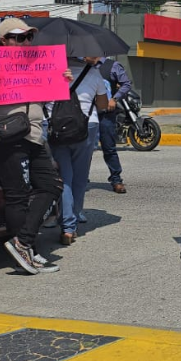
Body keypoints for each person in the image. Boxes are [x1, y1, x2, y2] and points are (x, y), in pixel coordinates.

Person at [0, 18, 68, 274]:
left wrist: (60, 80)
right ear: (4, 40)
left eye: (29, 37)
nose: (26, 42)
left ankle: (23, 243)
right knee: (18, 196)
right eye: (19, 37)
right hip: (9, 138)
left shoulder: (36, 63)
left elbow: (43, 97)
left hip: (35, 135)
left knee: (51, 186)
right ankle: (26, 253)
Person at [48, 56, 108, 245]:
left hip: (57, 126)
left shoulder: (49, 71)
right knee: (80, 177)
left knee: (64, 177)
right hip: (86, 125)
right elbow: (103, 105)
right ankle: (73, 220)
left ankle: (67, 226)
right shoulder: (93, 73)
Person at [97, 57, 132, 194]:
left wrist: (115, 98)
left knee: (109, 147)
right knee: (84, 148)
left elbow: (126, 84)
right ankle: (81, 177)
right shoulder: (82, 65)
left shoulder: (112, 66)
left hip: (106, 114)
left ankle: (116, 179)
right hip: (86, 113)